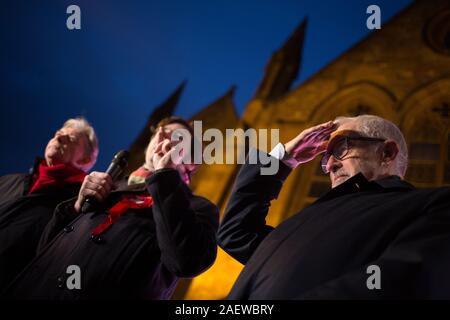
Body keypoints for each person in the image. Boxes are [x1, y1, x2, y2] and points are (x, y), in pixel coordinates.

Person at [218, 114, 450, 299]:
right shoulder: (308, 220)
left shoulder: (431, 205)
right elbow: (236, 233)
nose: (329, 164)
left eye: (341, 148)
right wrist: (284, 158)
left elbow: (399, 277)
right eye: (325, 157)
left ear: (387, 153)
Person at [4, 116, 218, 300]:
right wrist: (75, 208)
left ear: (191, 162)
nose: (161, 135)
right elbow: (43, 250)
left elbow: (188, 262)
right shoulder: (109, 185)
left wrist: (165, 175)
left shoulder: (198, 208)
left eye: (173, 136)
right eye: (159, 132)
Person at [0, 117, 98, 290]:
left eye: (71, 139)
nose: (59, 138)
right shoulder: (8, 181)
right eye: (58, 134)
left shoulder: (80, 208)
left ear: (86, 160)